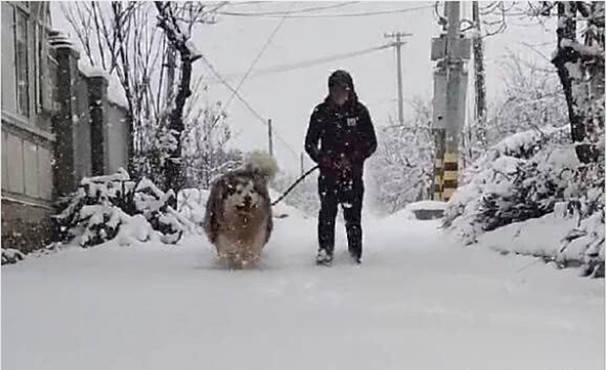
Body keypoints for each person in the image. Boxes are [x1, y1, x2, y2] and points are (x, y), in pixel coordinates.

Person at [304, 70, 377, 265]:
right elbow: (310, 144)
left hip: (353, 175)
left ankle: (354, 253)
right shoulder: (320, 113)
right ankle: (325, 251)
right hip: (328, 175)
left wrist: (354, 159)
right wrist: (324, 159)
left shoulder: (360, 112)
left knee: (353, 216)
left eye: (343, 90)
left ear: (350, 90)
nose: (339, 94)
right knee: (327, 213)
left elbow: (371, 143)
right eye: (335, 90)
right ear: (330, 91)